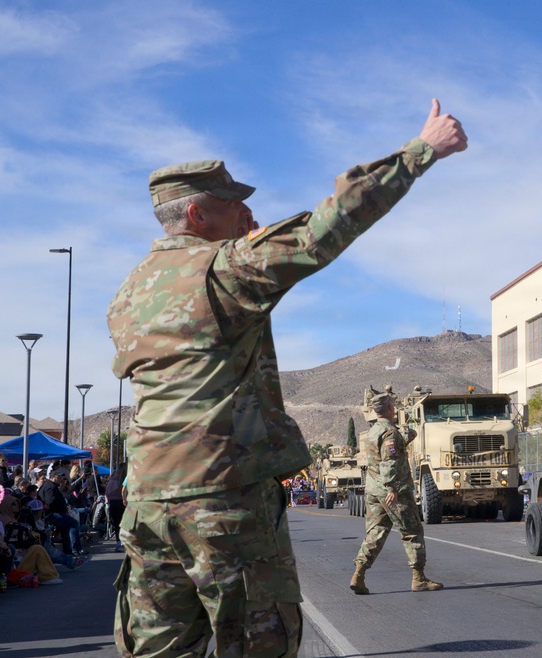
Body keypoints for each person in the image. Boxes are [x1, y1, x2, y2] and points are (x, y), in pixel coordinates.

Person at [106, 99, 466, 657]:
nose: (248, 214)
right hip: (224, 502)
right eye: (234, 204)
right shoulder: (226, 269)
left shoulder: (128, 294)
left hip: (147, 505)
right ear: (198, 215)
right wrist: (421, 152)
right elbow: (324, 229)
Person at [351, 391, 442, 595]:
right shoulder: (390, 432)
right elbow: (389, 461)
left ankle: (359, 574)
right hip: (394, 492)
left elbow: (385, 452)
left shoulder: (373, 431)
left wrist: (406, 439)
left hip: (374, 490)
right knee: (412, 532)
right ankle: (419, 579)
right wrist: (392, 488)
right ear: (390, 408)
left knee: (375, 533)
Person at [36, 471, 83, 556]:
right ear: (52, 477)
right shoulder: (50, 487)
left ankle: (68, 550)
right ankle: (76, 549)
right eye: (58, 477)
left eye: (61, 478)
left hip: (56, 512)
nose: (60, 480)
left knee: (65, 529)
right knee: (74, 524)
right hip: (52, 514)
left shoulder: (50, 485)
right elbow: (50, 501)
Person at [105, 464, 127, 552]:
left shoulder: (112, 479)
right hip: (123, 502)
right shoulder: (125, 479)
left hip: (113, 503)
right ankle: (125, 542)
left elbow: (107, 492)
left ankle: (118, 543)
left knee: (117, 524)